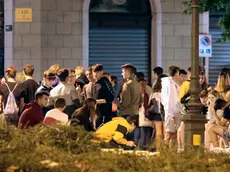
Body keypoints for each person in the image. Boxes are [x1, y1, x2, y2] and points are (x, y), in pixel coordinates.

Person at [161, 66, 181, 150]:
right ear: (176, 73)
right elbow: (169, 99)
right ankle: (164, 151)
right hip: (171, 111)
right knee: (169, 133)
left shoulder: (172, 83)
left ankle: (172, 151)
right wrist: (171, 113)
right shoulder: (169, 84)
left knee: (174, 133)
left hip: (174, 111)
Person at [148, 74, 168, 150]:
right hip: (166, 114)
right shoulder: (166, 92)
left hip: (156, 114)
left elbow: (149, 104)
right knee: (166, 133)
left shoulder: (154, 93)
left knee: (158, 133)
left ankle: (159, 150)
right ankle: (166, 150)